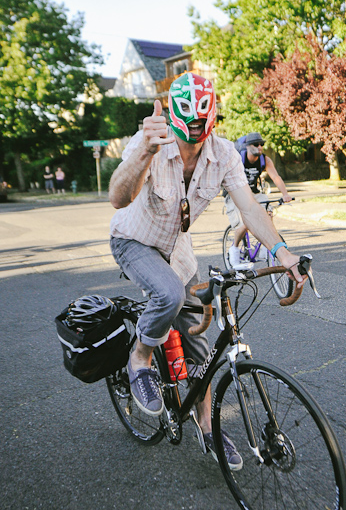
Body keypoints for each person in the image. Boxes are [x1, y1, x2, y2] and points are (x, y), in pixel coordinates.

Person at [108, 72, 305, 470]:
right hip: (133, 239)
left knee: (200, 345)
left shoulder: (224, 155)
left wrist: (282, 251)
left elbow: (249, 208)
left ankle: (208, 428)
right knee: (169, 294)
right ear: (178, 116)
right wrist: (144, 152)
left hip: (176, 248)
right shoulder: (151, 141)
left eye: (203, 122)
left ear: (212, 116)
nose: (196, 130)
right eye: (190, 122)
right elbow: (118, 196)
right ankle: (140, 356)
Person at [225, 131, 293, 267]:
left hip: (254, 193)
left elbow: (276, 177)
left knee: (268, 213)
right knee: (245, 223)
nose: (260, 147)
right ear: (248, 146)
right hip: (234, 193)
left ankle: (265, 247)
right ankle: (234, 248)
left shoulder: (264, 160)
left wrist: (285, 194)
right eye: (256, 144)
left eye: (262, 144)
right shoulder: (238, 158)